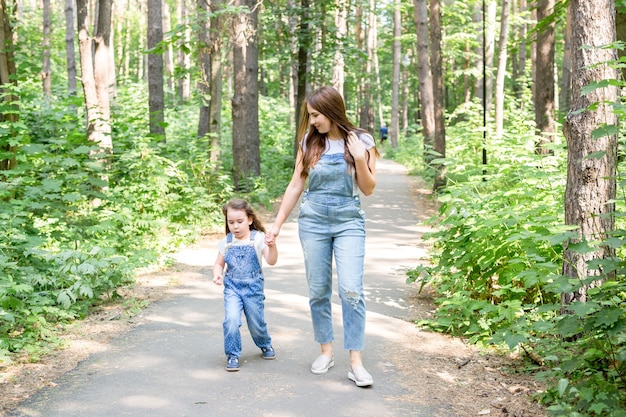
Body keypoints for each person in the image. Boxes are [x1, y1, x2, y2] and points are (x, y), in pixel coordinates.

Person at [265, 86, 379, 387]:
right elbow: (295, 185)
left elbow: (368, 188)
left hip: (348, 221)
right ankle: (326, 351)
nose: (312, 120)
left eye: (315, 115)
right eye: (310, 115)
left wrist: (358, 158)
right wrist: (276, 225)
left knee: (352, 290)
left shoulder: (362, 140)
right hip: (313, 221)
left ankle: (356, 363)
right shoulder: (309, 142)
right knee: (318, 290)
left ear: (331, 110)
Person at [213, 198, 278, 372]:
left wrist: (272, 247)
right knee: (231, 320)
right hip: (232, 288)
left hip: (253, 288)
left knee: (256, 322)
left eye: (240, 221)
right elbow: (219, 263)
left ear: (249, 219)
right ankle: (232, 354)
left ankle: (265, 343)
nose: (235, 226)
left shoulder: (258, 239)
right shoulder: (226, 242)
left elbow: (271, 261)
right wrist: (217, 274)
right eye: (231, 222)